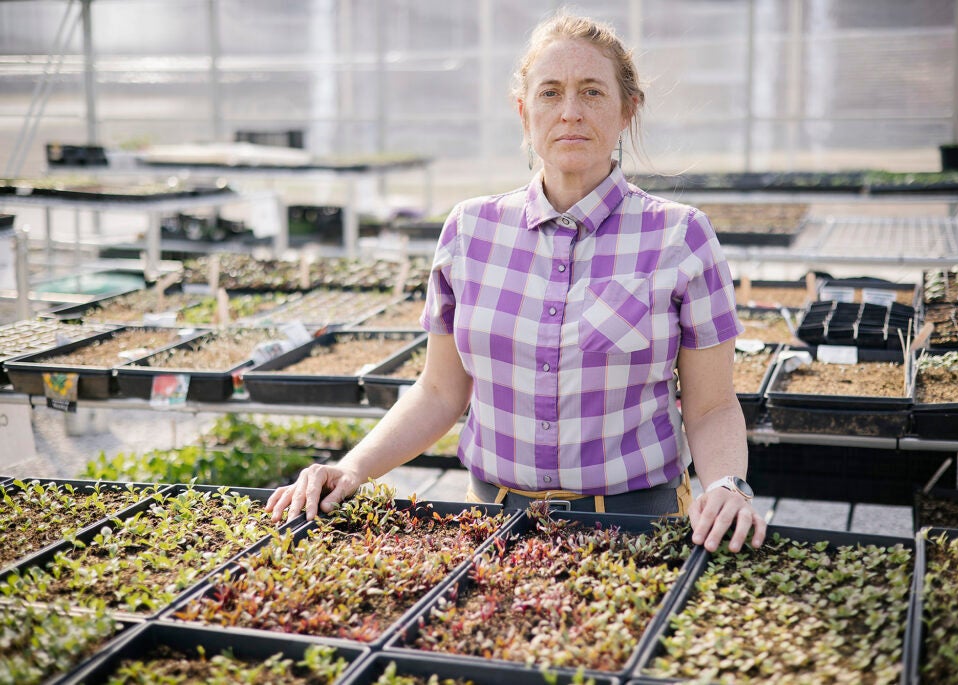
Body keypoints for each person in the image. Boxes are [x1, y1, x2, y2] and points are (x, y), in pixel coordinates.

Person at [267, 11, 766, 553]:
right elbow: (439, 391)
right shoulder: (470, 229)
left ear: (627, 109)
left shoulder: (679, 236)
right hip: (492, 521)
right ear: (524, 110)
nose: (570, 112)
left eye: (592, 92)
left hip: (637, 524)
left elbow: (711, 405)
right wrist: (352, 467)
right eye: (550, 93)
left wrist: (726, 485)